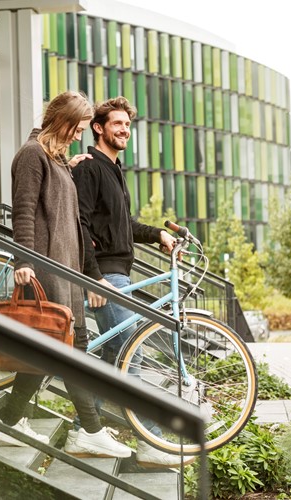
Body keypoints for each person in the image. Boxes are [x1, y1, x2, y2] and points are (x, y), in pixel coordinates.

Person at [0, 90, 130, 459]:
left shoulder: (54, 159)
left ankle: (10, 420)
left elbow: (72, 223)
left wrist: (89, 273)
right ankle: (90, 430)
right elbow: (23, 210)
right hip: (45, 266)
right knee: (68, 349)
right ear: (63, 121)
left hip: (67, 269)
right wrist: (22, 260)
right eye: (78, 128)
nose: (79, 135)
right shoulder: (31, 155)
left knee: (57, 347)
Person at [72, 96, 191, 468]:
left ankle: (83, 430)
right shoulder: (90, 168)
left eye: (127, 125)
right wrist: (92, 279)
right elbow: (79, 225)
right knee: (132, 351)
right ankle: (152, 440)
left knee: (115, 355)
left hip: (117, 272)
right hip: (105, 275)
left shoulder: (115, 170)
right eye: (117, 124)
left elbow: (121, 226)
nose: (124, 130)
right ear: (98, 127)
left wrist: (158, 233)